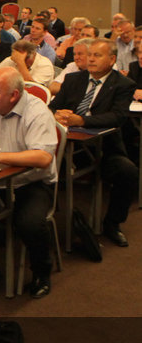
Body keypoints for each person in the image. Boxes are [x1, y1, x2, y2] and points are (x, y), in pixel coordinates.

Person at [0, 67, 58, 298]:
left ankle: (41, 272)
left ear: (14, 96)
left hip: (31, 182)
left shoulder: (37, 112)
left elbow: (43, 158)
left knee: (30, 223)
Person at [48, 38, 138, 247]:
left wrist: (83, 120)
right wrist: (57, 115)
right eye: (89, 55)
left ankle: (112, 223)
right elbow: (52, 107)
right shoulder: (72, 79)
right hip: (68, 145)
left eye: (97, 55)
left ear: (112, 59)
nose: (91, 59)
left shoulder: (123, 84)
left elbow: (117, 117)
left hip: (104, 147)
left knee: (128, 172)